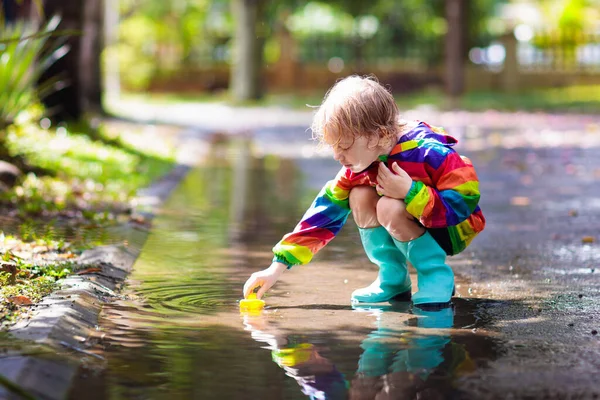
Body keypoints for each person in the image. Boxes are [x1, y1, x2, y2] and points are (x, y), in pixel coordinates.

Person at [242, 75, 485, 308]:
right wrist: (276, 268)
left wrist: (411, 192)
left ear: (379, 135)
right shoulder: (360, 164)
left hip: (450, 227)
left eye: (345, 146)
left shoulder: (428, 151)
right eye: (333, 147)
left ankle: (435, 275)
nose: (338, 156)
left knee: (389, 207)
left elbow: (465, 198)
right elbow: (323, 214)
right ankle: (393, 278)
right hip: (416, 218)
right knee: (357, 194)